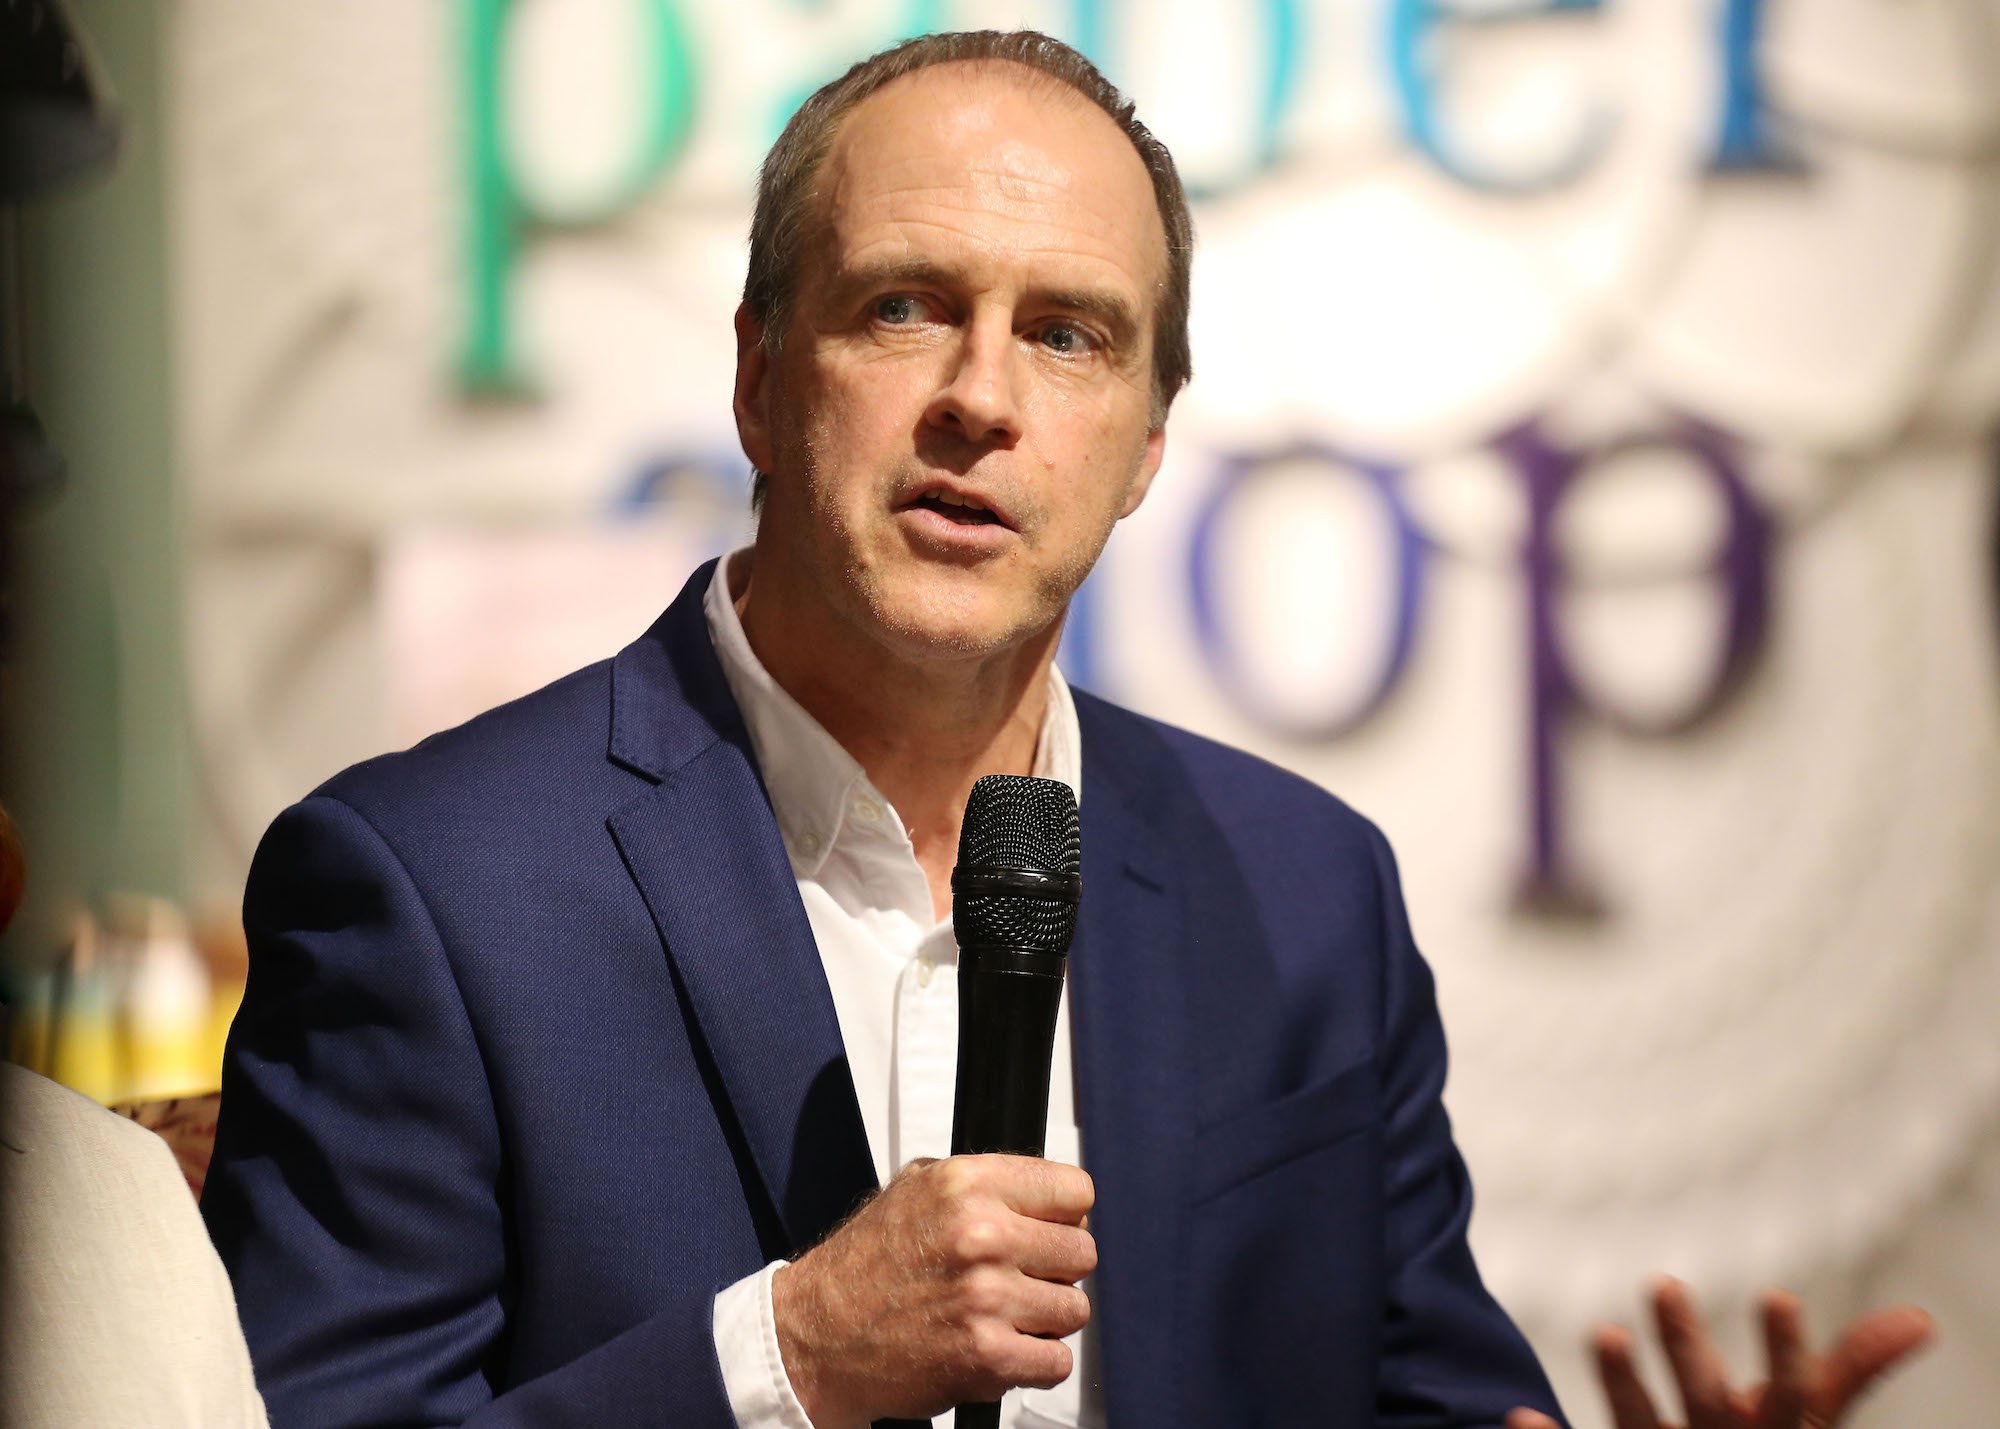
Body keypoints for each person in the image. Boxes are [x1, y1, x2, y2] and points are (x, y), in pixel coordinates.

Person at [201, 30, 1930, 1429]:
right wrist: (786, 1359)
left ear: (1147, 444)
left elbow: (1418, 1394)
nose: (983, 397)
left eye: (1069, 335)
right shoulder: (432, 886)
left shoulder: (1306, 892)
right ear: (758, 377)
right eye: (903, 305)